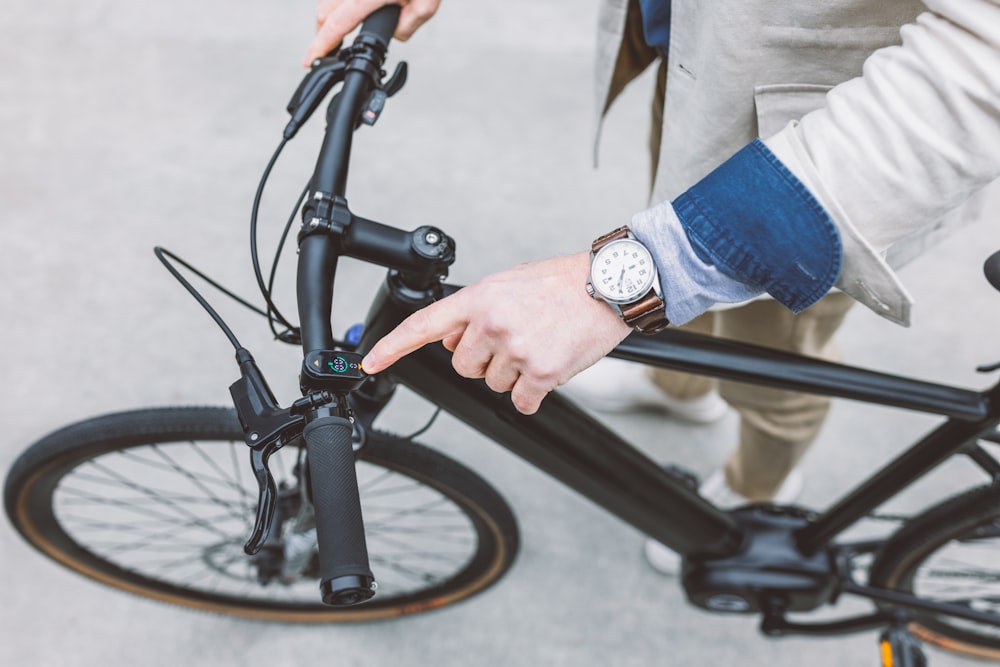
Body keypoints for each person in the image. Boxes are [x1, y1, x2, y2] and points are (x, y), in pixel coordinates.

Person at [307, 0, 1000, 571]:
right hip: (703, 53)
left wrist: (623, 280)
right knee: (675, 230)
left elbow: (982, 57)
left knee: (775, 364)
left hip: (825, 141)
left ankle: (759, 488)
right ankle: (681, 390)